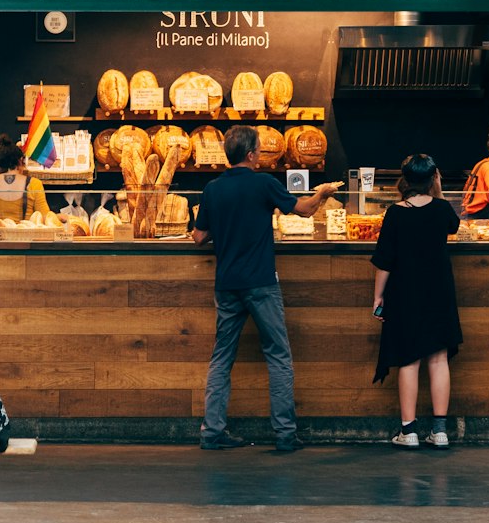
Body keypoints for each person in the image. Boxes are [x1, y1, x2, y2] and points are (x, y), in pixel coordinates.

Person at [192, 125, 340, 453]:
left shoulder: (213, 189)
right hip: (261, 283)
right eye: (258, 149)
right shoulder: (263, 184)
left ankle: (212, 432)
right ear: (250, 154)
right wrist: (323, 192)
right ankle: (285, 434)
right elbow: (304, 210)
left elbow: (199, 236)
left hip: (227, 285)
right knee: (278, 355)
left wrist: (225, 231)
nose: (260, 153)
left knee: (221, 358)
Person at [371, 154, 463, 449]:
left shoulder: (395, 213)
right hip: (438, 290)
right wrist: (439, 190)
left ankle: (408, 431)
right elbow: (454, 226)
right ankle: (440, 431)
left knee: (408, 360)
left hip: (405, 290)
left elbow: (384, 261)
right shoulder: (442, 209)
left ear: (405, 180)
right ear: (434, 177)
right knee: (438, 359)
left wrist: (377, 296)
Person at [0, 136, 51, 222]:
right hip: (26, 234)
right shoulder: (34, 183)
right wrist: (61, 217)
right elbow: (45, 217)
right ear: (20, 160)